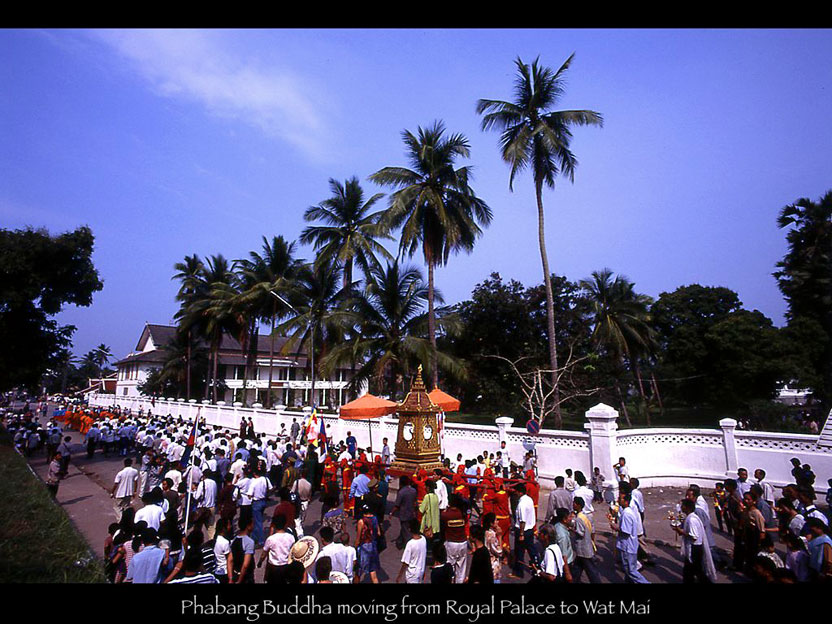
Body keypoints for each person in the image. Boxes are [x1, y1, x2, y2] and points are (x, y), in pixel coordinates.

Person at [609, 491, 649, 583]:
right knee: (628, 570)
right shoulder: (627, 511)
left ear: (626, 501)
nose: (618, 500)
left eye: (621, 498)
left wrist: (615, 526)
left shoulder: (627, 513)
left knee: (631, 571)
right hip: (630, 545)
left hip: (627, 546)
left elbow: (625, 531)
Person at [673, 498, 715, 583]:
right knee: (689, 571)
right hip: (693, 547)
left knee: (695, 570)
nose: (681, 507)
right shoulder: (690, 517)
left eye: (682, 506)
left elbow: (694, 536)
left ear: (686, 507)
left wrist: (681, 531)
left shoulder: (692, 519)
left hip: (694, 548)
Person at [570, 497, 601, 583]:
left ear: (578, 505)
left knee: (591, 571)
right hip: (585, 548)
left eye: (574, 503)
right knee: (577, 568)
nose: (573, 505)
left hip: (583, 549)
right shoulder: (584, 516)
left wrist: (572, 529)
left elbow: (580, 533)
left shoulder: (579, 518)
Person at [258, 515, 295, 583]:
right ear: (285, 525)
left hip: (273, 568)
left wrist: (260, 561)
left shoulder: (271, 539)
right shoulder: (291, 537)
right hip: (286, 565)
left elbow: (264, 553)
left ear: (274, 526)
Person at [441, 495, 470, 584]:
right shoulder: (462, 513)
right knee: (461, 568)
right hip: (463, 543)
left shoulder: (445, 515)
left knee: (450, 566)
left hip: (451, 543)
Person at [355, 504, 381, 584]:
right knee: (373, 571)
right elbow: (379, 533)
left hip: (364, 547)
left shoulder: (361, 522)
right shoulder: (374, 519)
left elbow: (358, 538)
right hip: (373, 546)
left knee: (358, 570)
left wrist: (355, 547)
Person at [397, 519, 427, 583]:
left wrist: (399, 576)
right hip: (421, 571)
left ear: (409, 529)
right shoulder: (423, 539)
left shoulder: (410, 544)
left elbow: (405, 562)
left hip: (412, 574)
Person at [392, 476, 417, 549]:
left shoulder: (401, 492)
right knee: (406, 528)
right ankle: (400, 542)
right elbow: (415, 502)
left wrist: (392, 512)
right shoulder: (413, 491)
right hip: (411, 513)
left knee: (405, 530)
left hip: (404, 514)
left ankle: (408, 546)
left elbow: (397, 505)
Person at [230, 516, 256, 584]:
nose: (254, 526)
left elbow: (230, 560)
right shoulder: (249, 542)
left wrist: (230, 578)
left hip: (235, 573)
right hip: (245, 576)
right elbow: (245, 565)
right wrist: (239, 581)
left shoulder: (234, 540)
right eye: (253, 524)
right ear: (248, 526)